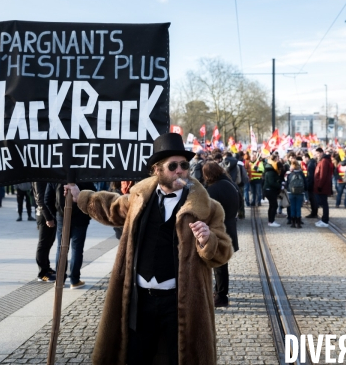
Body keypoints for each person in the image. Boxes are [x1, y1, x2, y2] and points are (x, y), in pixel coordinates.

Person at [66, 132, 233, 365]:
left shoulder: (207, 208)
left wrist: (208, 241)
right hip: (139, 298)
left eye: (184, 165)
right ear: (157, 169)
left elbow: (224, 251)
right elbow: (112, 207)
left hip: (180, 303)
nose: (180, 170)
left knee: (180, 358)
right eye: (172, 165)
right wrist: (80, 197)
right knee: (136, 356)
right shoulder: (139, 197)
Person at [202, 161, 239, 307]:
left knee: (219, 265)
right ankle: (219, 291)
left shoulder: (213, 189)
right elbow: (240, 204)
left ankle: (222, 296)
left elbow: (207, 211)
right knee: (221, 264)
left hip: (218, 229)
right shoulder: (231, 184)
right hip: (230, 226)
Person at [50, 180, 95, 289]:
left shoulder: (58, 175)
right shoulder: (84, 176)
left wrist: (52, 216)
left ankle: (59, 280)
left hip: (62, 216)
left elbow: (48, 197)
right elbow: (93, 196)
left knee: (61, 248)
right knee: (77, 249)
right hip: (80, 218)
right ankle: (74, 280)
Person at [32, 182, 57, 282]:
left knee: (48, 243)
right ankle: (42, 274)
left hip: (50, 214)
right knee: (43, 244)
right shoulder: (38, 179)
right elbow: (40, 199)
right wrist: (48, 217)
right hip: (44, 215)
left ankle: (47, 268)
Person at [314, 147, 334, 227]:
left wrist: (319, 185)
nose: (317, 155)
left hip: (323, 186)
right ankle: (324, 219)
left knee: (324, 203)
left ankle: (325, 220)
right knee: (323, 203)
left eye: (318, 153)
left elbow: (323, 175)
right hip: (322, 186)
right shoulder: (323, 161)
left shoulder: (324, 161)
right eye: (316, 154)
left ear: (322, 153)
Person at [285, 159, 307, 228]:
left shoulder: (290, 174)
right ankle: (298, 223)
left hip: (291, 192)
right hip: (300, 193)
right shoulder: (301, 173)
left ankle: (293, 223)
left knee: (292, 207)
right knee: (298, 207)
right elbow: (305, 183)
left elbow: (287, 184)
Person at [263, 154, 282, 227]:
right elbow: (271, 182)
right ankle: (271, 221)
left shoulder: (271, 170)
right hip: (269, 190)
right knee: (274, 205)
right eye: (277, 159)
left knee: (272, 205)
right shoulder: (271, 171)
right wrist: (280, 186)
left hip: (269, 190)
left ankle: (270, 221)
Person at [302, 153, 318, 219]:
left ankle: (313, 213)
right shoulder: (313, 163)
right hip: (314, 184)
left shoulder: (310, 164)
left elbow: (310, 176)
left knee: (312, 199)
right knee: (313, 199)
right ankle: (314, 212)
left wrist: (308, 185)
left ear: (307, 158)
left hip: (312, 185)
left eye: (303, 159)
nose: (303, 160)